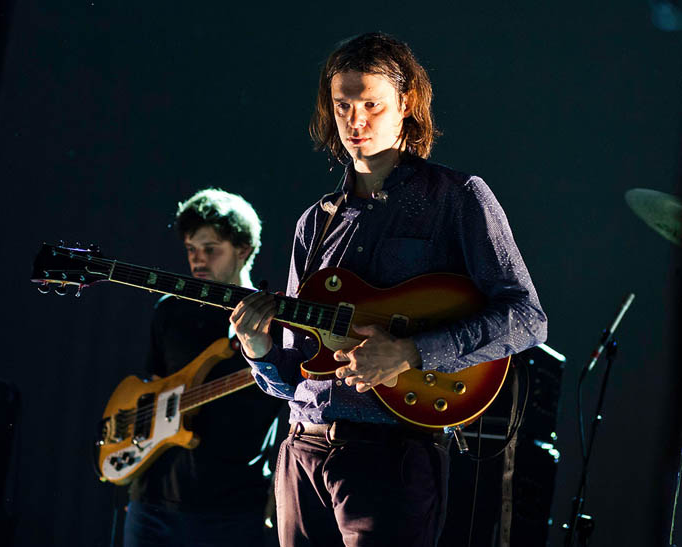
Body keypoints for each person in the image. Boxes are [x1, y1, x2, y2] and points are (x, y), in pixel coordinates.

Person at [230, 32, 548, 547]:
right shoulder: (315, 223)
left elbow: (527, 318)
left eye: (371, 105)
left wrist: (410, 352)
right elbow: (293, 379)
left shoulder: (457, 197)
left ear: (407, 105)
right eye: (343, 106)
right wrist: (259, 350)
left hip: (391, 458)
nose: (355, 121)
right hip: (301, 454)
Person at [124, 188, 284, 547]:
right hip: (152, 504)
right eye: (192, 250)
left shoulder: (271, 323)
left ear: (243, 250)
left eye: (211, 249)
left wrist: (279, 493)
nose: (198, 260)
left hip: (232, 510)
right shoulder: (169, 310)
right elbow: (151, 386)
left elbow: (292, 416)